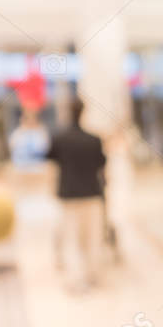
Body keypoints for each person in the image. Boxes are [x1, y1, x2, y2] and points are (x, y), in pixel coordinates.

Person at [46, 97, 107, 292]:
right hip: (92, 194)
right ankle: (93, 275)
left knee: (71, 238)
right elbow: (101, 167)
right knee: (92, 237)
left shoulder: (59, 138)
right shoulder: (94, 140)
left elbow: (50, 163)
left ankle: (75, 279)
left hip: (69, 196)